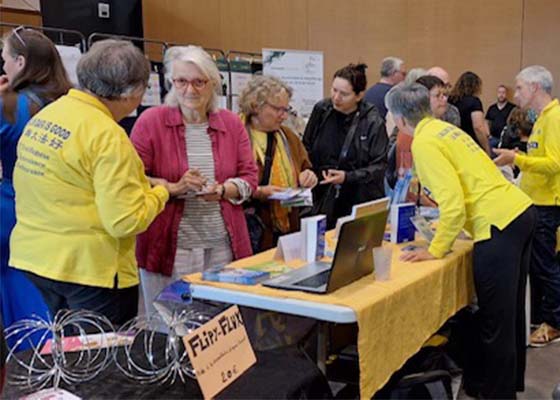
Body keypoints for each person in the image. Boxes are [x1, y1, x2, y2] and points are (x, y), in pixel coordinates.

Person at [386, 83, 535, 399]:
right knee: (508, 318)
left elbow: (451, 201)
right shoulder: (443, 129)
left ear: (399, 120)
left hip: (498, 224)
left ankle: (494, 394)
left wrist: (436, 248)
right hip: (518, 212)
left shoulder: (423, 142)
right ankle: (505, 387)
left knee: (495, 321)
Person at [9, 40, 169, 326]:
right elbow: (125, 220)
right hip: (90, 269)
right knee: (100, 362)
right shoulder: (107, 135)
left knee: (68, 355)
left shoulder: (49, 114)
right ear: (134, 92)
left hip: (37, 258)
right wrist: (159, 193)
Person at [130, 46, 258, 315]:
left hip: (222, 244)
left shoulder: (231, 124)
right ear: (171, 82)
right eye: (182, 81)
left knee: (219, 323)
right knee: (171, 323)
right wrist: (175, 187)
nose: (190, 90)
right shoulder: (151, 122)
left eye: (199, 82)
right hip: (169, 246)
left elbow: (249, 178)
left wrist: (223, 190)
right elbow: (133, 181)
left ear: (213, 84)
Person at [1, 27, 71, 337]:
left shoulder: (10, 105)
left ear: (20, 62)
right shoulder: (72, 103)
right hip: (64, 215)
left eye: (4, 59)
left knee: (20, 295)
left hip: (16, 211)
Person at [494, 65, 560, 347]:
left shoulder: (554, 118)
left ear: (535, 87)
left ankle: (555, 323)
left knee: (547, 266)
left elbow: (555, 163)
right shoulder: (543, 118)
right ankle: (545, 316)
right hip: (537, 203)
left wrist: (516, 160)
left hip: (548, 204)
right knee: (540, 264)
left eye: (519, 88)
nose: (515, 93)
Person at [303, 63, 388, 228]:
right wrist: (306, 169)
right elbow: (305, 146)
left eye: (344, 94)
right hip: (321, 195)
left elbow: (379, 165)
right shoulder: (322, 109)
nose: (336, 98)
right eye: (334, 90)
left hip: (356, 197)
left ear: (359, 95)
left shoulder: (372, 120)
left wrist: (347, 177)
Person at [238, 75, 317, 251]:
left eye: (286, 109)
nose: (283, 116)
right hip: (254, 230)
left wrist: (309, 176)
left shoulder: (288, 136)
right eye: (277, 109)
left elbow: (305, 167)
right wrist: (257, 192)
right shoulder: (236, 136)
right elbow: (227, 181)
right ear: (255, 106)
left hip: (288, 230)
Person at [449, 71, 491, 154]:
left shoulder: (450, 100)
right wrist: (486, 148)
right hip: (470, 143)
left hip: (453, 140)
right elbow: (478, 127)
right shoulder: (474, 102)